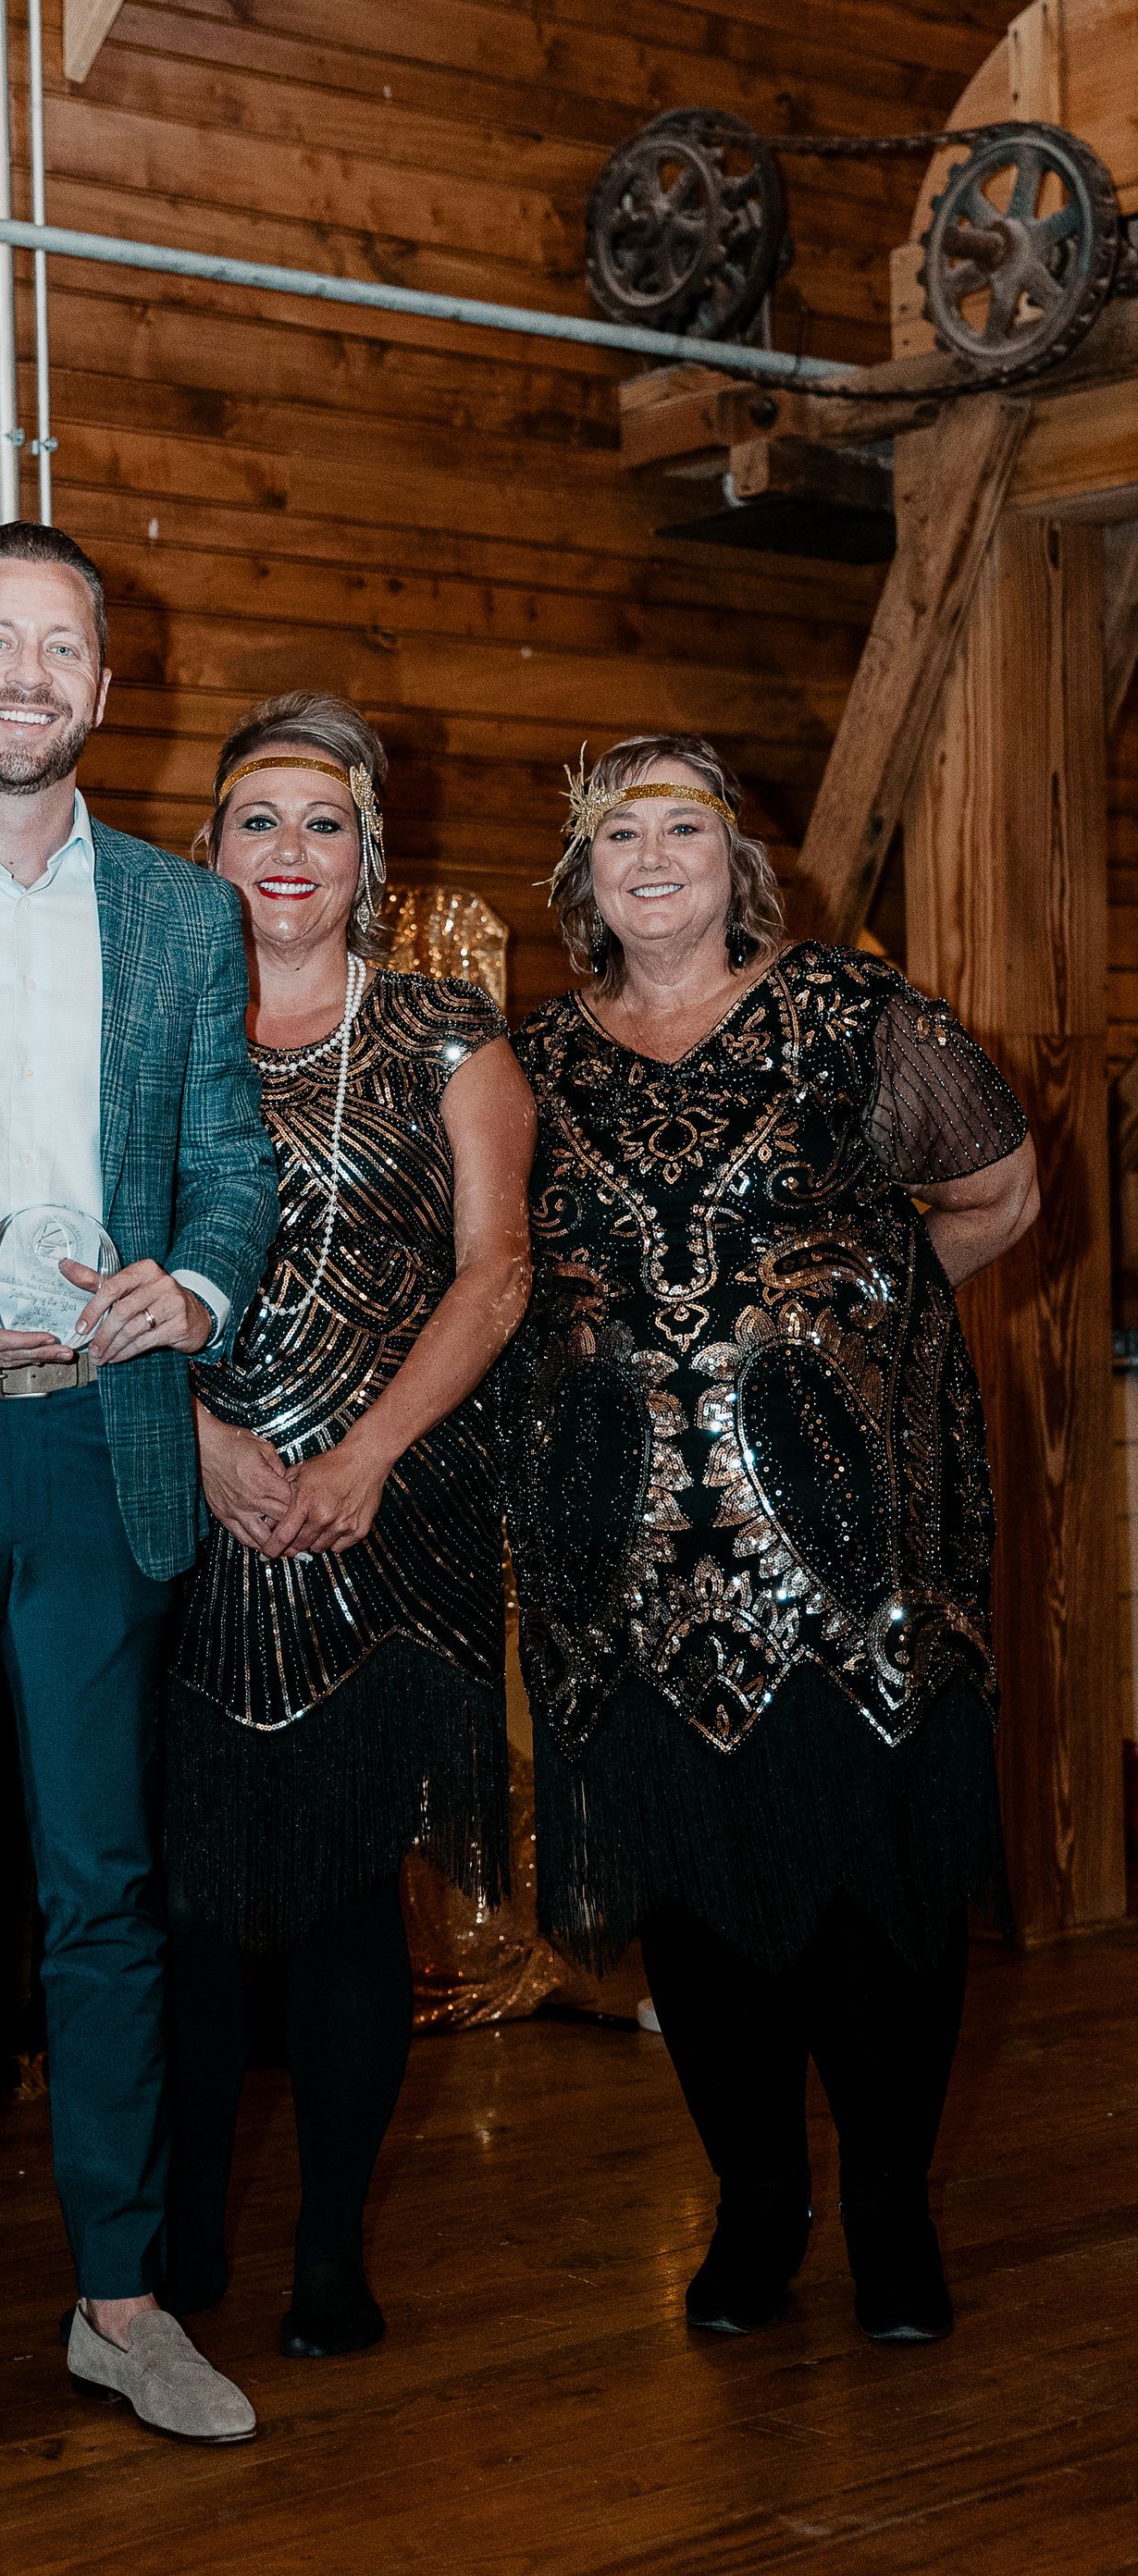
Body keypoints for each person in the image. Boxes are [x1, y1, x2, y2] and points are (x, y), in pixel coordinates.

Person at [499, 733, 1039, 2345]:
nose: (652, 856)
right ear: (583, 877)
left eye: (683, 827)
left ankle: (888, 2211)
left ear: (737, 860)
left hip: (847, 1547)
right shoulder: (532, 1060)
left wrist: (845, 1334)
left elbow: (1001, 1192)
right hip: (627, 1556)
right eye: (618, 835)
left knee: (875, 1897)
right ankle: (755, 2207)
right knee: (696, 1902)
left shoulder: (850, 1016)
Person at [0, 521, 278, 2464]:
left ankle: (122, 2302)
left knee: (105, 1893)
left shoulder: (185, 916)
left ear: (104, 687)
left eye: (63, 648)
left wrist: (190, 1288)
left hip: (104, 1450)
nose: (30, 676)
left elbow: (232, 1165)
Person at [160, 693, 534, 2357]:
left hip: (388, 1516)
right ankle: (178, 2244)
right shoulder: (153, 1022)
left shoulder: (448, 1030)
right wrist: (192, 1443)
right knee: (181, 1903)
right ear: (211, 848)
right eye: (260, 820)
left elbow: (495, 1273)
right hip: (186, 1507)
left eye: (324, 823)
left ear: (368, 856)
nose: (290, 851)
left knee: (341, 1897)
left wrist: (367, 1456)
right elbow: (71, 1244)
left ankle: (327, 2250)